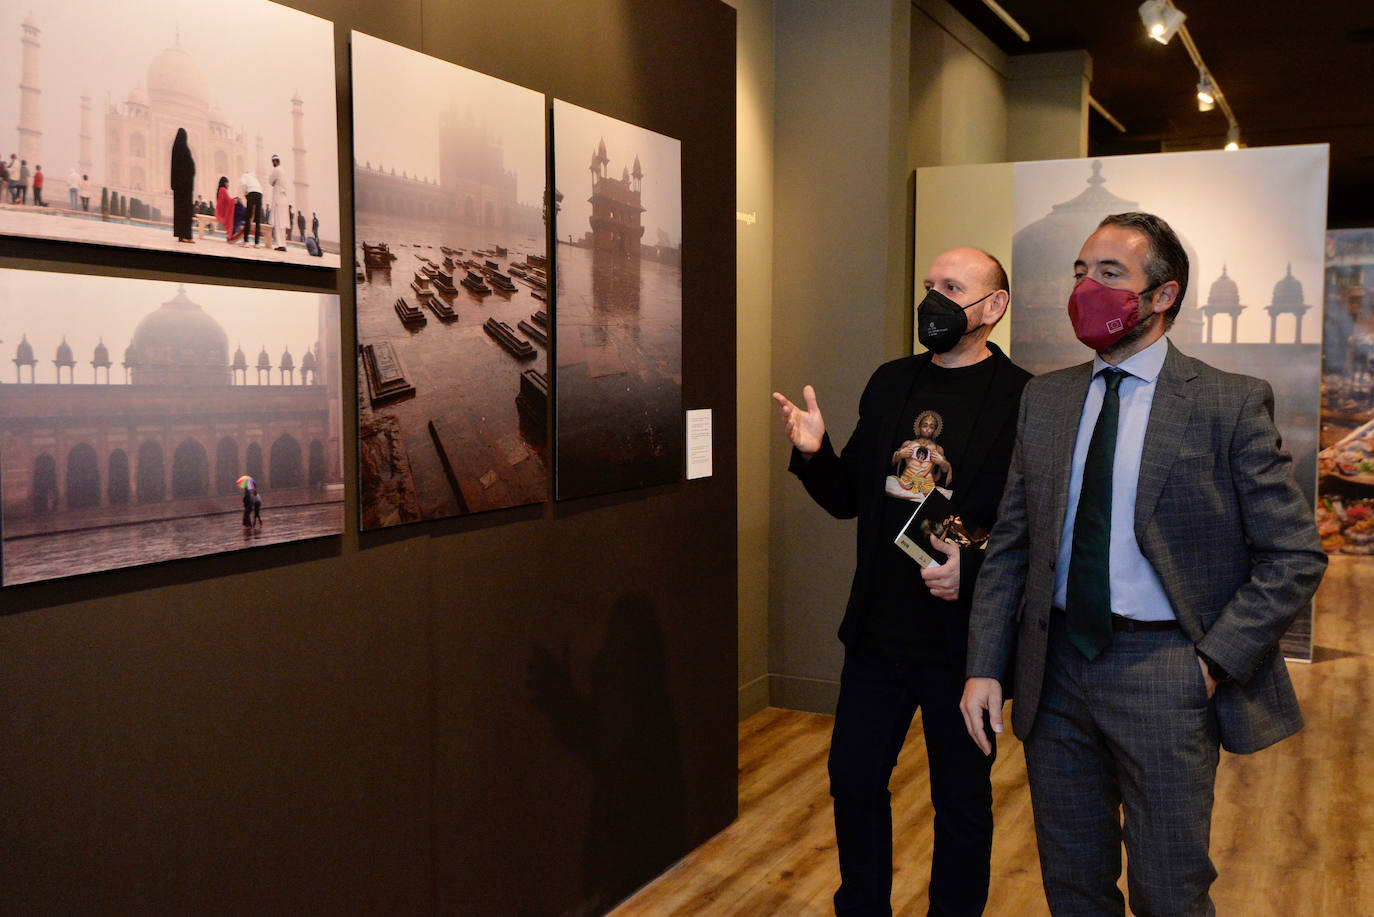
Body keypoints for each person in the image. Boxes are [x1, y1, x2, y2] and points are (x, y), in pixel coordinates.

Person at [959, 212, 1328, 917]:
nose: (1084, 288)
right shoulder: (1046, 397)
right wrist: (985, 662)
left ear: (1163, 295)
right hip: (1055, 671)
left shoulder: (1228, 402)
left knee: (1170, 890)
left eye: (1109, 274)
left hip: (1167, 670)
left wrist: (1213, 659)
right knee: (1073, 886)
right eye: (1078, 271)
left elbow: (1293, 553)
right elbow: (1012, 542)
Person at [773, 247, 1030, 917]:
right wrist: (813, 452)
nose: (933, 301)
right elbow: (848, 498)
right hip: (878, 632)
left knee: (961, 802)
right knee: (853, 780)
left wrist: (967, 567)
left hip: (963, 644)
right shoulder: (891, 381)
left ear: (993, 308)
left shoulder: (1024, 399)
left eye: (952, 287)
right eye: (928, 286)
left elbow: (1031, 526)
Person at [170, 128, 195, 243]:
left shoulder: (176, 150)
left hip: (178, 187)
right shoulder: (184, 150)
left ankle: (181, 235)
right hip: (185, 187)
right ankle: (186, 236)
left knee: (179, 212)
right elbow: (189, 168)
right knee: (185, 212)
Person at [268, 153, 288, 251]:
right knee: (282, 222)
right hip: (283, 197)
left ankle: (281, 244)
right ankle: (283, 243)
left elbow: (270, 181)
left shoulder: (276, 170)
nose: (272, 164)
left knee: (279, 221)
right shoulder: (283, 170)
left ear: (275, 161)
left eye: (272, 162)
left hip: (278, 198)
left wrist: (274, 182)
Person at [240, 168, 263, 247]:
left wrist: (246, 194)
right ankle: (257, 243)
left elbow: (243, 185)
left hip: (252, 193)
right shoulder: (254, 178)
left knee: (248, 217)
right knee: (257, 219)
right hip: (260, 194)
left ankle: (246, 241)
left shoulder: (244, 175)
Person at [214, 175, 240, 242]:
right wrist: (234, 201)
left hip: (220, 211)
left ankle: (232, 233)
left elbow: (226, 201)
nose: (229, 185)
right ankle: (231, 234)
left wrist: (233, 201)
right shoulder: (223, 190)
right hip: (221, 212)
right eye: (228, 183)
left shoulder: (221, 189)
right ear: (225, 183)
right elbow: (228, 201)